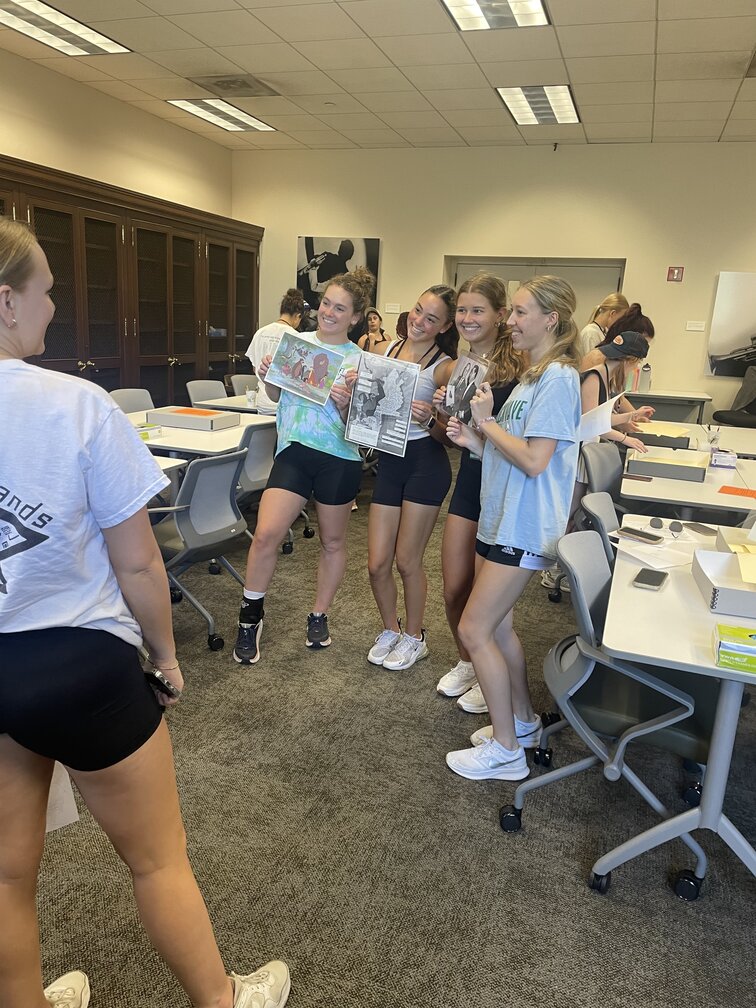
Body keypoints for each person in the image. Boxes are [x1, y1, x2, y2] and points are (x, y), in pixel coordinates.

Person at [0, 218, 290, 1008]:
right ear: (6, 303)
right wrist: (165, 657)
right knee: (158, 860)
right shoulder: (76, 405)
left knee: (5, 874)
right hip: (80, 666)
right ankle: (223, 999)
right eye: (46, 291)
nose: (53, 307)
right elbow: (137, 560)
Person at [444, 275, 582, 782]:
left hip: (522, 527)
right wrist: (473, 439)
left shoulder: (560, 378)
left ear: (552, 320)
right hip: (500, 514)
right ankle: (522, 723)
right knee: (497, 626)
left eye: (521, 312)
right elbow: (505, 456)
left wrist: (488, 421)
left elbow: (535, 460)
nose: (510, 320)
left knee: (473, 628)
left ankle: (505, 751)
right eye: (513, 311)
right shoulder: (529, 377)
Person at [233, 267, 374, 665]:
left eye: (340, 308)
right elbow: (277, 396)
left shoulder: (361, 362)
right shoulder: (296, 343)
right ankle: (250, 617)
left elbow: (364, 428)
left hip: (340, 458)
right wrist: (268, 377)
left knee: (332, 542)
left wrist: (349, 406)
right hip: (295, 450)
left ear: (355, 316)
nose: (329, 312)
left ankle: (319, 614)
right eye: (326, 303)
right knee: (266, 534)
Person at [431, 274, 523, 710]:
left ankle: (492, 672)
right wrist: (438, 415)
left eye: (477, 310)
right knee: (454, 588)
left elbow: (525, 440)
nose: (466, 318)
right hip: (470, 479)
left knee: (491, 602)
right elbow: (453, 439)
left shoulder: (521, 367)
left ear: (500, 315)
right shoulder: (463, 364)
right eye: (462, 310)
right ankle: (470, 659)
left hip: (502, 487)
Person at [366, 285, 458, 671]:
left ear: (445, 325)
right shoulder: (383, 351)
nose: (419, 321)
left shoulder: (447, 366)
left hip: (425, 462)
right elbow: (369, 409)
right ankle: (391, 628)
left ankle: (416, 637)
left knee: (407, 561)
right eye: (417, 310)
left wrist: (431, 417)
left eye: (431, 318)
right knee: (376, 563)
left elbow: (450, 434)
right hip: (389, 460)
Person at [245, 288, 304, 414]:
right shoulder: (296, 337)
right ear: (298, 316)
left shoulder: (260, 332)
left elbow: (255, 368)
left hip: (262, 403)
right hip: (283, 405)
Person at [575, 293, 629, 362]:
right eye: (620, 319)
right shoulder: (590, 333)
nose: (620, 323)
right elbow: (591, 364)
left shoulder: (603, 331)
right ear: (613, 313)